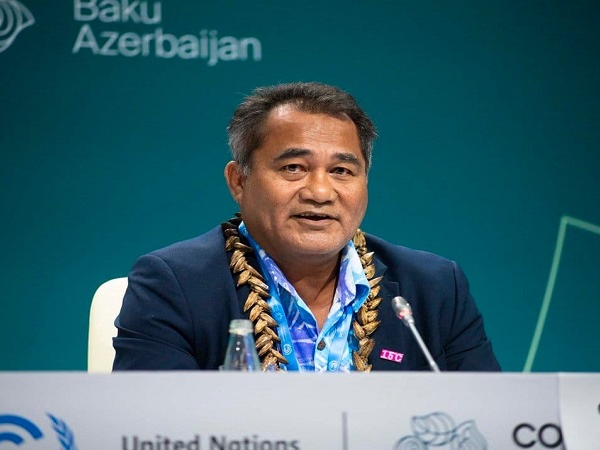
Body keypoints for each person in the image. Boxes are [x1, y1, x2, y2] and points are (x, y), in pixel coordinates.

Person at [113, 82, 500, 372]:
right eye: (293, 168)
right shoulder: (173, 284)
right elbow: (156, 428)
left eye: (342, 171)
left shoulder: (434, 288)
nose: (320, 192)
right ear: (239, 181)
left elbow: (487, 422)